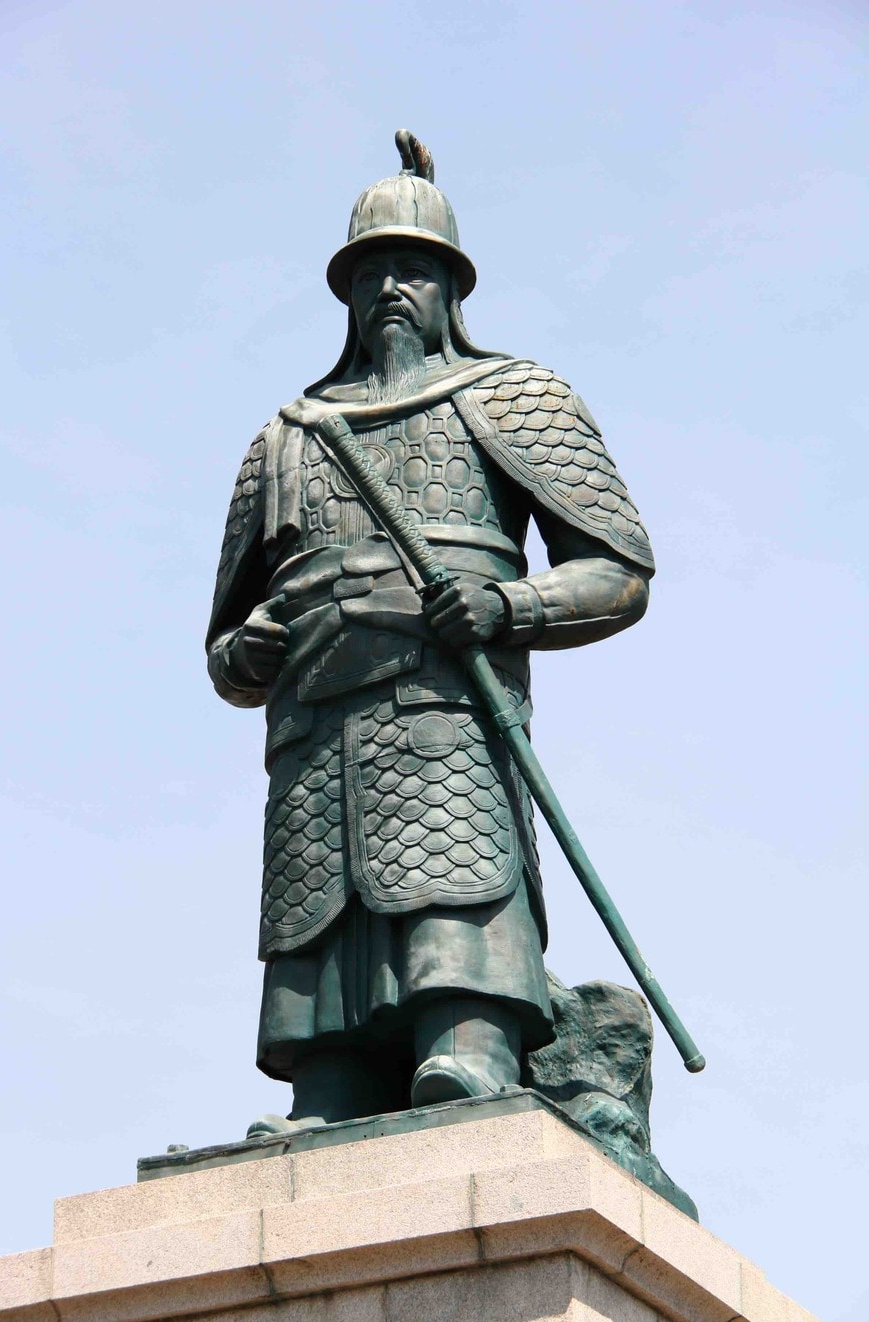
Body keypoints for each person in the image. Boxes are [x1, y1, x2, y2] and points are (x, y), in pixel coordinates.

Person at [206, 131, 654, 1132]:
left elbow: (618, 572)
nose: (390, 289)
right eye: (370, 273)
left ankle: (470, 1043)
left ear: (453, 286)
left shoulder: (514, 398)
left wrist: (507, 606)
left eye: (412, 268)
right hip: (315, 727)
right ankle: (330, 1078)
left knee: (454, 866)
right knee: (318, 903)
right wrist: (249, 651)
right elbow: (225, 649)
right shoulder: (286, 438)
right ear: (345, 293)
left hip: (442, 706)